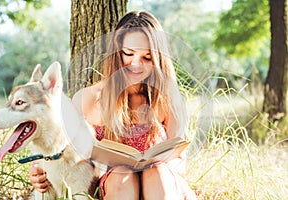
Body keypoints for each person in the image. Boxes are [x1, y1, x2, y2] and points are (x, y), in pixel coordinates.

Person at [29, 11, 197, 200]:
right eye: (129, 53)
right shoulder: (89, 98)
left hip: (161, 186)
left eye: (147, 57)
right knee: (121, 176)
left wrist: (164, 165)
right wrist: (39, 170)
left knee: (157, 173)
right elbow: (62, 151)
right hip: (115, 188)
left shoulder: (166, 98)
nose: (136, 64)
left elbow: (180, 159)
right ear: (117, 52)